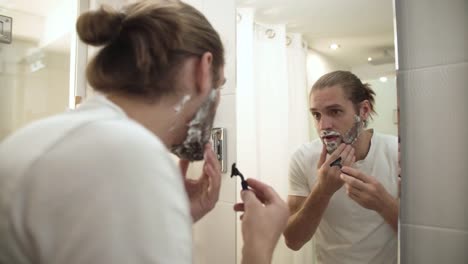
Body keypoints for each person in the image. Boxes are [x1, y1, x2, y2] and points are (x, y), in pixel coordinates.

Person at [0, 1, 288, 264]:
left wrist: (170, 220)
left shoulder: (47, 136)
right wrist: (258, 249)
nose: (218, 97)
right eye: (220, 84)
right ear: (203, 69)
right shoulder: (129, 157)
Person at [283, 71, 399, 264]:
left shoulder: (397, 152)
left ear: (363, 111)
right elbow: (293, 241)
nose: (323, 125)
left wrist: (383, 203)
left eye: (335, 111)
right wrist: (322, 191)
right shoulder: (303, 158)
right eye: (316, 114)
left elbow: (424, 236)